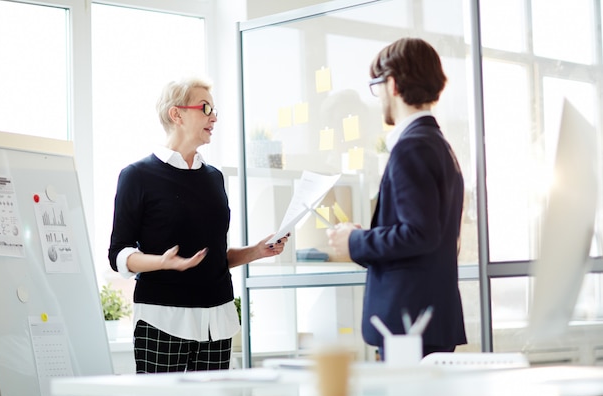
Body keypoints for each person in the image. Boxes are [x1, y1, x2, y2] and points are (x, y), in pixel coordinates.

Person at [108, 77, 289, 373]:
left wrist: (255, 251)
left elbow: (212, 257)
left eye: (215, 110)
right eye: (205, 108)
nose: (214, 117)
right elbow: (118, 255)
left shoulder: (214, 178)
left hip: (216, 321)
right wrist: (163, 262)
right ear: (176, 114)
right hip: (163, 319)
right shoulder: (137, 176)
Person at [326, 37, 467, 359]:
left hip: (408, 323)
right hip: (427, 318)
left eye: (376, 86)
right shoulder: (437, 144)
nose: (377, 100)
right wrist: (363, 240)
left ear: (391, 84)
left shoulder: (412, 147)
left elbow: (419, 233)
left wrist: (356, 241)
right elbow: (425, 233)